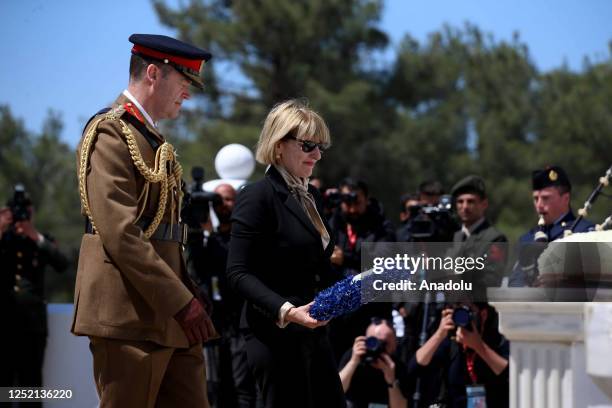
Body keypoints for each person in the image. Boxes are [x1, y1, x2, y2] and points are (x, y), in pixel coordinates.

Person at [72, 34, 217, 407]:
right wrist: (181, 301)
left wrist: (186, 293)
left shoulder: (147, 136)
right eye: (184, 81)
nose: (187, 93)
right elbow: (121, 234)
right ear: (153, 73)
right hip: (128, 316)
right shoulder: (110, 132)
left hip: (168, 314)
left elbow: (165, 235)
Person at [226, 99, 346, 407]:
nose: (317, 155)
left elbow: (317, 266)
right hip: (273, 335)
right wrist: (288, 311)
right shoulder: (257, 197)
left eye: (321, 147)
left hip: (315, 333)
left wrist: (359, 285)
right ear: (279, 146)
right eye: (308, 146)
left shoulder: (311, 197)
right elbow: (237, 273)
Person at [327, 178, 396, 361]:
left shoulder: (382, 226)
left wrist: (345, 259)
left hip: (371, 312)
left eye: (356, 202)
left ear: (367, 199)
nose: (351, 209)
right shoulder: (333, 223)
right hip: (337, 315)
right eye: (346, 202)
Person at [409, 303, 510, 408]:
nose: (462, 315)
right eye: (456, 309)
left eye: (467, 309)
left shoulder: (497, 340)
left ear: (483, 314)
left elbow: (511, 375)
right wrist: (439, 334)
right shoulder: (451, 343)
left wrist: (479, 347)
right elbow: (414, 369)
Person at [509, 165, 594, 287]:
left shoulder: (586, 233)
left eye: (545, 198)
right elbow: (515, 283)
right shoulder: (527, 239)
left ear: (565, 198)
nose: (539, 205)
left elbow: (594, 280)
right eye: (535, 198)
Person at [448, 175, 507, 299]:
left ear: (484, 204)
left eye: (471, 201)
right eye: (460, 201)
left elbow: (491, 281)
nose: (464, 207)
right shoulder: (455, 237)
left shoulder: (494, 238)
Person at [338, 318, 410, 408]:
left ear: (394, 345)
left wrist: (391, 380)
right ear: (365, 339)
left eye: (384, 343)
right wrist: (353, 363)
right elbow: (332, 395)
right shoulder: (353, 356)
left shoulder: (397, 367)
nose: (377, 347)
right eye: (373, 341)